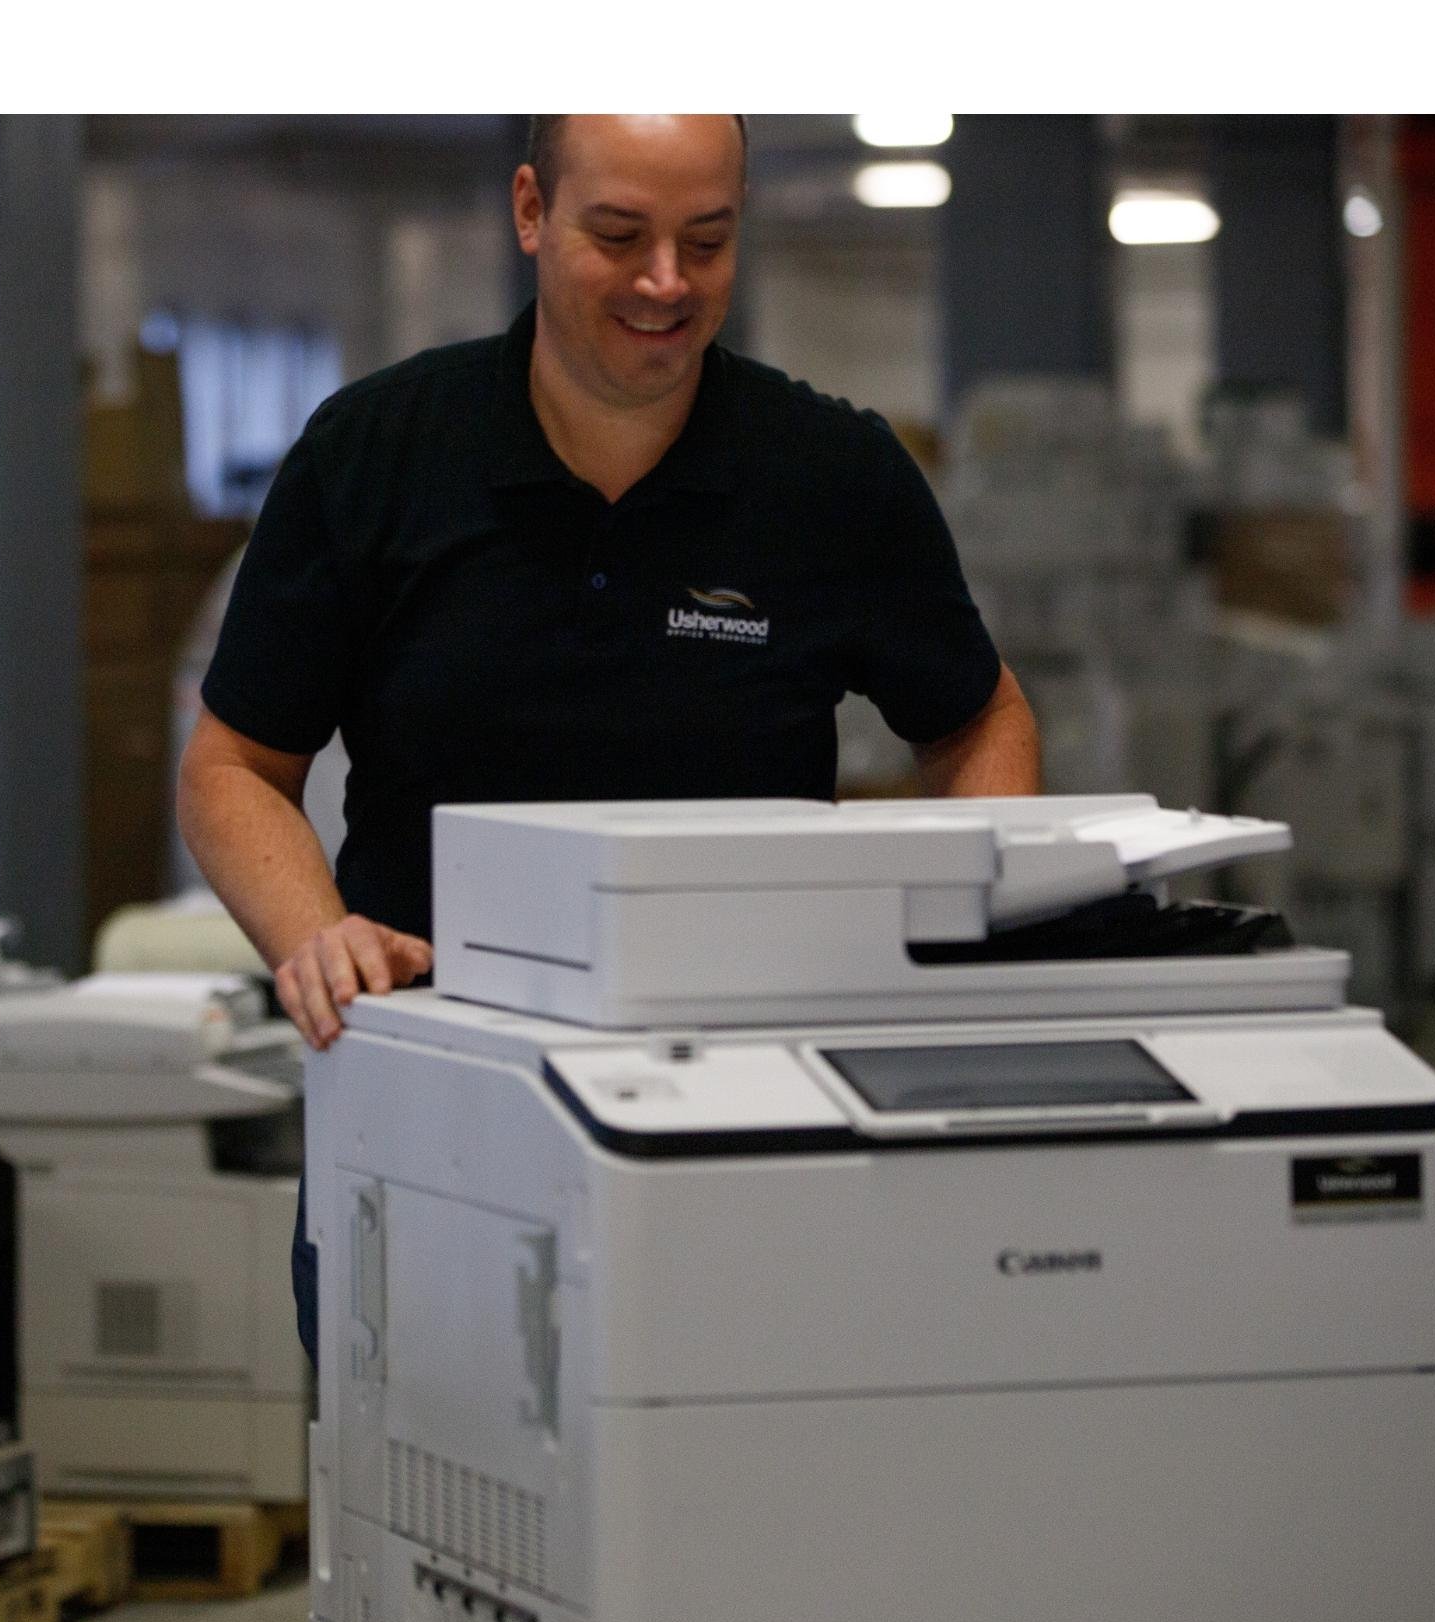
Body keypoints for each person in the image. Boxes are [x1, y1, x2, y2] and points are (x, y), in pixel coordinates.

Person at [177, 113, 1039, 1356]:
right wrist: (316, 942)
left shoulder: (831, 475)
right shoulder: (378, 455)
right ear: (531, 211)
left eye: (708, 240)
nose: (665, 285)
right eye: (620, 236)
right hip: (434, 1096)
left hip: (751, 1108)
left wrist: (972, 943)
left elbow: (979, 717)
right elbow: (233, 766)